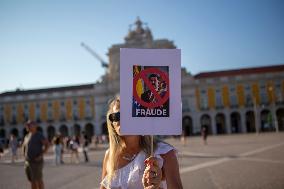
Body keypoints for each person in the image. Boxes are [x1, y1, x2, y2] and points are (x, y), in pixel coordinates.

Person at [100, 96, 183, 189]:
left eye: (130, 113)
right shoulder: (110, 155)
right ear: (112, 125)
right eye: (117, 116)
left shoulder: (164, 153)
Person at [22, 120, 49, 189]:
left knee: (38, 180)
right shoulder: (27, 136)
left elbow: (47, 145)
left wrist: (41, 155)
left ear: (35, 126)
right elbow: (24, 146)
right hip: (28, 161)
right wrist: (24, 155)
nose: (27, 126)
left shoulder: (39, 135)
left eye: (29, 125)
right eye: (27, 125)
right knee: (31, 180)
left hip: (36, 162)